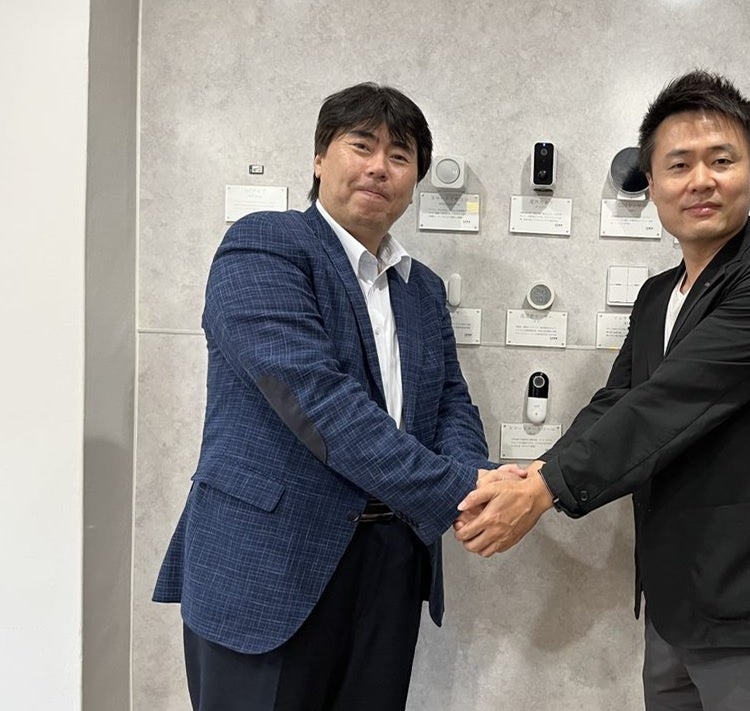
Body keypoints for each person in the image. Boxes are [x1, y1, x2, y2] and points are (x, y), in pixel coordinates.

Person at [454, 70, 750, 710]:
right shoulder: (658, 294)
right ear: (653, 184)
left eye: (722, 161)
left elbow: (672, 403)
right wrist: (536, 471)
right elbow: (618, 399)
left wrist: (546, 491)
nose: (700, 181)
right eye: (679, 165)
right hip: (672, 600)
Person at [154, 82, 515, 711]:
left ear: (414, 182)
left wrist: (474, 478)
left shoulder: (422, 289)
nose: (379, 167)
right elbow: (320, 404)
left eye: (399, 156)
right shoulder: (264, 245)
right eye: (362, 146)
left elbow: (450, 404)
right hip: (269, 562)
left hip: (391, 562)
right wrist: (462, 490)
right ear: (320, 158)